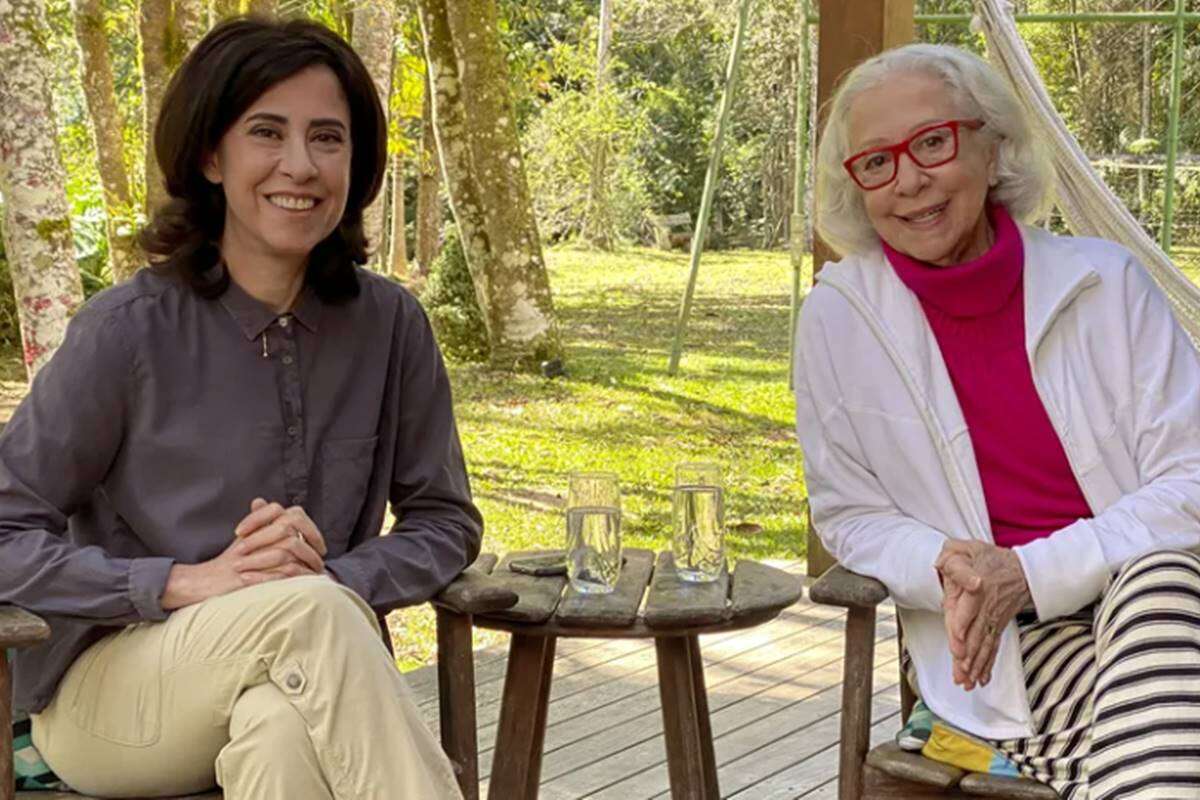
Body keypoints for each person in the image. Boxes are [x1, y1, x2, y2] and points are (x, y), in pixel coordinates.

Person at [0, 16, 480, 799]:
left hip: (297, 674)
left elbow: (444, 520)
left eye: (328, 137)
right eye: (268, 132)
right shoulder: (124, 334)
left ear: (355, 164)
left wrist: (333, 570)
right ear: (211, 156)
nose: (301, 164)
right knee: (312, 614)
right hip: (112, 695)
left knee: (282, 738)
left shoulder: (391, 326)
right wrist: (180, 583)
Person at [794, 42, 1200, 799]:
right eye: (876, 162)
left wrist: (1032, 572)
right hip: (995, 643)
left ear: (991, 145)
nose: (908, 180)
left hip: (1158, 602)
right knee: (1169, 725)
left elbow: (1191, 478)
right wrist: (945, 562)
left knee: (1162, 582)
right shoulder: (838, 317)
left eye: (933, 142)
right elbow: (850, 513)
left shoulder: (1106, 284)